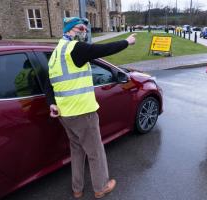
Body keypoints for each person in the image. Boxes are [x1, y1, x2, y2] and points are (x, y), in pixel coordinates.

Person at [44, 17, 136, 199]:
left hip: (65, 113)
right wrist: (127, 41)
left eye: (85, 29)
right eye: (80, 28)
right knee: (95, 152)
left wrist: (51, 103)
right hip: (82, 112)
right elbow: (102, 50)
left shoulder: (56, 52)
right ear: (69, 30)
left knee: (77, 150)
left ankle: (77, 189)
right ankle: (101, 187)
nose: (83, 31)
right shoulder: (75, 48)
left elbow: (49, 82)